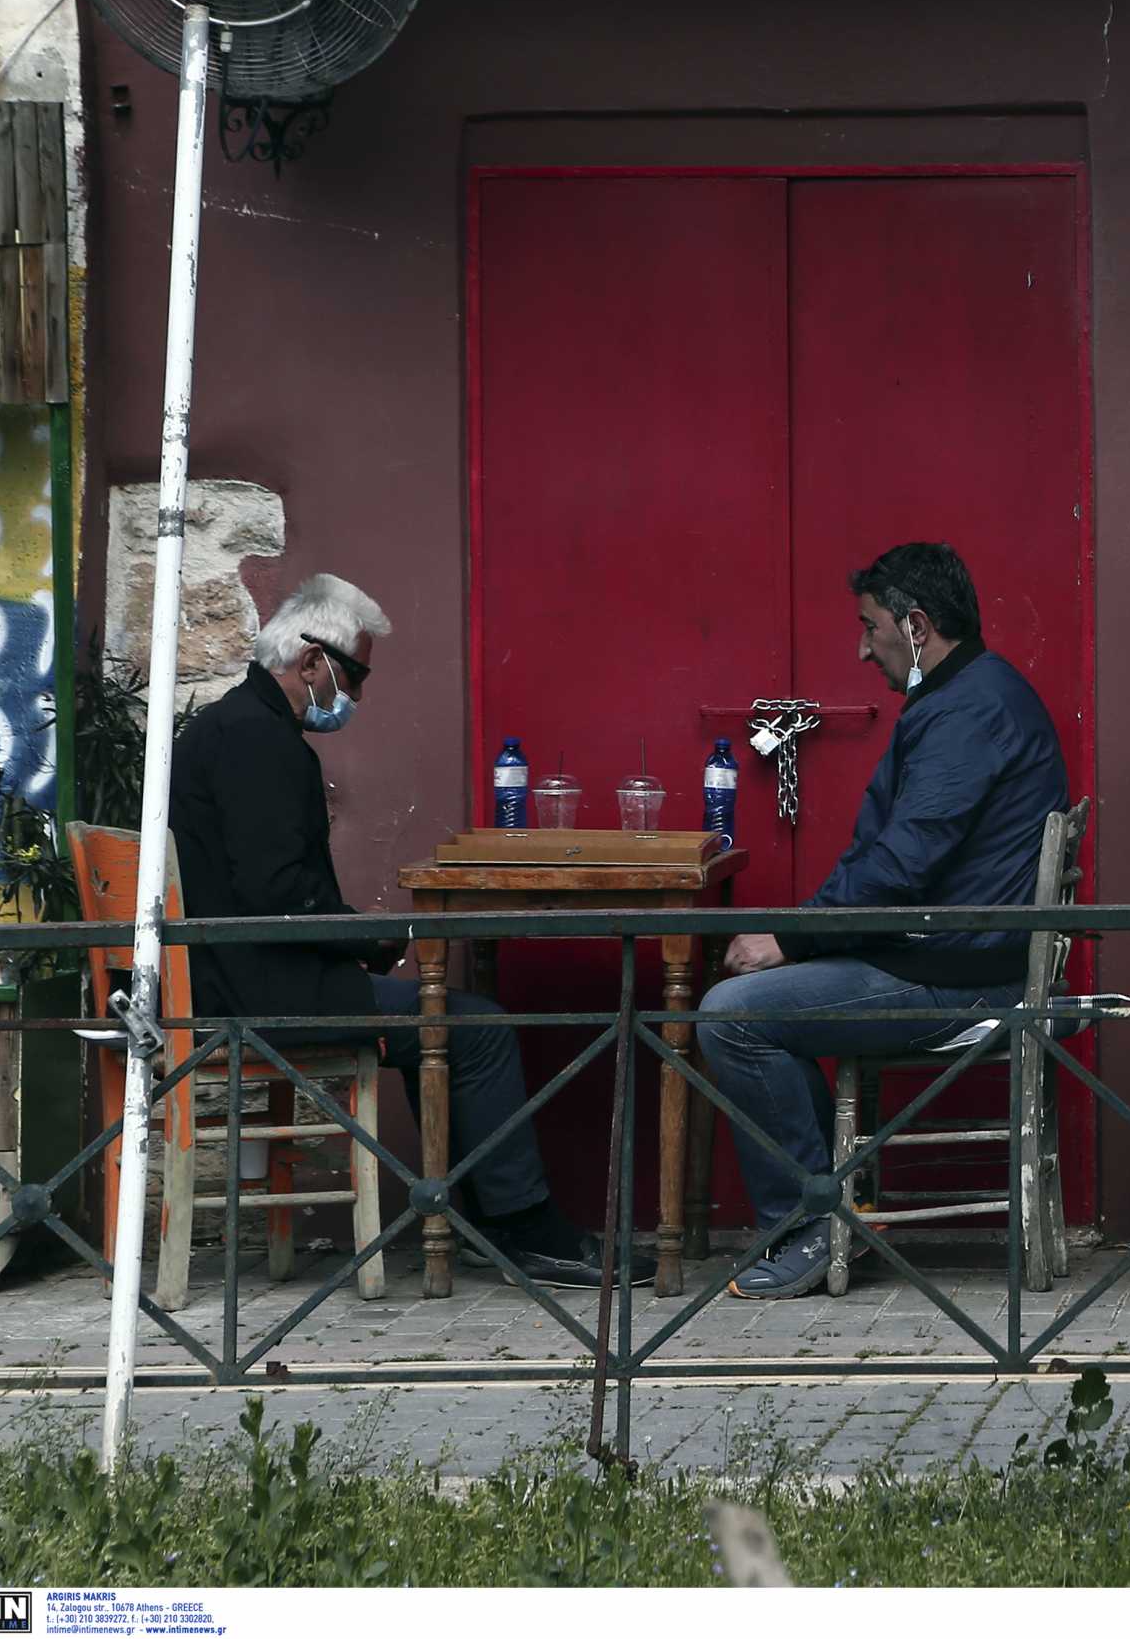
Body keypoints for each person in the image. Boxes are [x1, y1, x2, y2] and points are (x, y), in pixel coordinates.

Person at [168, 573, 618, 1288]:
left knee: (444, 1021)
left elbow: (270, 890)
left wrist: (360, 938)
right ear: (311, 661)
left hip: (236, 975)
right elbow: (277, 896)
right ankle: (528, 1232)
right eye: (356, 675)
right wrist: (371, 939)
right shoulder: (261, 742)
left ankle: (477, 1223)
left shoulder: (226, 727)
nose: (358, 697)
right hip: (262, 992)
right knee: (473, 1027)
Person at [700, 542, 1068, 1298]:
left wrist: (792, 937)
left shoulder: (968, 712)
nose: (861, 648)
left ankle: (814, 1224)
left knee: (730, 1016)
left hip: (957, 980)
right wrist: (800, 936)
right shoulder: (973, 697)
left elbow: (900, 866)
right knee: (761, 1001)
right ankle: (830, 1208)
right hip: (949, 960)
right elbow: (891, 860)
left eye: (870, 628)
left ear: (917, 625)